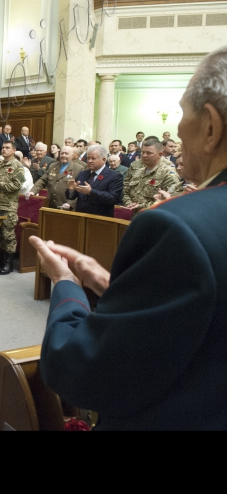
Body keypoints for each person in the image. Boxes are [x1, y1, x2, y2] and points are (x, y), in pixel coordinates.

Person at [29, 46, 227, 430]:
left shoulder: (177, 227)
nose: (175, 135)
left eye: (183, 112)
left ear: (210, 128)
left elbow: (87, 374)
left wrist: (66, 285)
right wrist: (110, 285)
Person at [0, 141, 26, 275]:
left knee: (8, 235)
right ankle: (0, 259)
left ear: (14, 150)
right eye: (3, 147)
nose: (3, 150)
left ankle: (9, 263)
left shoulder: (18, 167)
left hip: (9, 206)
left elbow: (17, 186)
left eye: (7, 148)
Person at [123, 138, 181, 211]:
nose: (144, 155)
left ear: (159, 154)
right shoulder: (138, 172)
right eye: (142, 152)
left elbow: (172, 198)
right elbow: (126, 190)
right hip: (132, 215)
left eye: (149, 153)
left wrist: (140, 206)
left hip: (153, 216)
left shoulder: (167, 173)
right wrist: (129, 203)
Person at [66, 146, 124, 217]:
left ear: (103, 159)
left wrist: (91, 192)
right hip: (80, 217)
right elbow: (72, 197)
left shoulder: (115, 176)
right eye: (88, 158)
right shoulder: (83, 173)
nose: (89, 161)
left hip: (100, 218)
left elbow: (113, 198)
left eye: (93, 158)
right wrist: (71, 190)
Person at [27, 145, 84, 211]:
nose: (64, 156)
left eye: (66, 153)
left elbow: (80, 190)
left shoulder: (78, 169)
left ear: (72, 155)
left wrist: (70, 204)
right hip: (51, 205)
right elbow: (43, 180)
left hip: (67, 208)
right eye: (62, 153)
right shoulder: (53, 165)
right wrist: (33, 191)